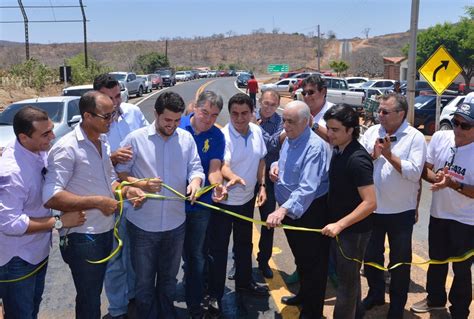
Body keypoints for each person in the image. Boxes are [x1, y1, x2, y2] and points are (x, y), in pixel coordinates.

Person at [42, 91, 145, 319]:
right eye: (106, 116)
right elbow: (51, 196)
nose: (112, 120)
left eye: (114, 114)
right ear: (87, 116)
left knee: (94, 293)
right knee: (89, 299)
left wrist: (128, 190)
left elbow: (110, 181)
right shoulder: (67, 148)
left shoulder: (103, 140)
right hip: (83, 237)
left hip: (104, 230)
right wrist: (97, 202)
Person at [115, 91, 205, 318]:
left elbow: (195, 168)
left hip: (176, 225)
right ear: (155, 114)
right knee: (144, 281)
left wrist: (195, 183)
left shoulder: (186, 139)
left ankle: (167, 313)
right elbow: (119, 173)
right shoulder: (135, 139)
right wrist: (140, 183)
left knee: (168, 278)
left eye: (176, 120)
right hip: (143, 225)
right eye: (167, 120)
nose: (172, 125)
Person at [0, 107, 86, 318]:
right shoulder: (11, 173)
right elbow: (10, 224)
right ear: (23, 137)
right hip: (17, 260)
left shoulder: (37, 152)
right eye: (45, 134)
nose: (53, 136)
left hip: (37, 252)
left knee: (32, 309)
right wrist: (59, 221)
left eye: (51, 130)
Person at [360, 93, 427, 318]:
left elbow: (414, 172)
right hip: (372, 209)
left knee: (399, 263)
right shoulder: (371, 132)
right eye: (379, 110)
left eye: (385, 112)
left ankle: (397, 305)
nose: (380, 115)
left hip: (400, 212)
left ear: (400, 114)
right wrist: (373, 155)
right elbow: (359, 162)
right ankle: (375, 294)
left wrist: (389, 155)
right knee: (370, 257)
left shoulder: (415, 137)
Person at [266, 100, 330, 319]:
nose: (286, 126)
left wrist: (281, 210)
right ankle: (304, 295)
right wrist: (275, 168)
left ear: (306, 121)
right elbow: (283, 163)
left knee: (314, 265)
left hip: (310, 213)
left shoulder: (314, 147)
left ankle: (313, 312)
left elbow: (307, 188)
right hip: (291, 213)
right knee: (301, 260)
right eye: (284, 120)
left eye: (291, 122)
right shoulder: (289, 140)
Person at [207, 93, 268, 318]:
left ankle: (244, 282)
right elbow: (223, 165)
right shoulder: (224, 136)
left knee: (244, 245)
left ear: (252, 113)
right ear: (229, 114)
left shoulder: (257, 131)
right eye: (234, 114)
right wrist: (233, 177)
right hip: (225, 202)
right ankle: (214, 294)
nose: (239, 118)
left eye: (244, 113)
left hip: (247, 200)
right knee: (219, 250)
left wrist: (262, 186)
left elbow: (261, 160)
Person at [411, 103, 474, 318]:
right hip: (439, 214)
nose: (457, 129)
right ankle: (435, 300)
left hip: (467, 221)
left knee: (462, 270)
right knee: (436, 261)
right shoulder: (440, 138)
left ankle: (459, 311)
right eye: (455, 122)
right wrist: (436, 178)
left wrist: (453, 184)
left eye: (464, 125)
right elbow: (425, 169)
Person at [93, 73, 148, 319]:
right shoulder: (92, 125)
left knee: (135, 254)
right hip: (109, 200)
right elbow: (85, 165)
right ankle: (117, 309)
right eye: (110, 97)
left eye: (118, 96)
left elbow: (150, 137)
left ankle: (134, 296)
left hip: (136, 196)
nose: (116, 102)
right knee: (115, 257)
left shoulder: (133, 114)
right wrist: (112, 157)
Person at [321, 104, 376, 318]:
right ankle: (358, 314)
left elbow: (370, 203)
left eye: (335, 130)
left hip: (353, 232)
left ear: (350, 130)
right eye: (328, 128)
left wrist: (339, 224)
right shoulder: (340, 149)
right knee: (350, 278)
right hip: (341, 228)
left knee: (346, 284)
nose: (329, 134)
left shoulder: (357, 159)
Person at [179, 90, 227, 319]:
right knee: (171, 259)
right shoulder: (176, 126)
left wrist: (217, 186)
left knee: (197, 256)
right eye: (204, 112)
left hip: (201, 208)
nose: (207, 119)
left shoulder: (216, 137)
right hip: (172, 207)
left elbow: (215, 169)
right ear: (194, 107)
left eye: (214, 115)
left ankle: (195, 304)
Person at [254, 89, 284, 279]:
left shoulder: (281, 121)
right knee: (241, 221)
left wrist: (255, 131)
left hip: (269, 177)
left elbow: (272, 145)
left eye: (273, 105)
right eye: (266, 103)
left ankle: (263, 261)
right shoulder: (247, 116)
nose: (269, 108)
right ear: (259, 101)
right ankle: (238, 261)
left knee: (268, 222)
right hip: (247, 176)